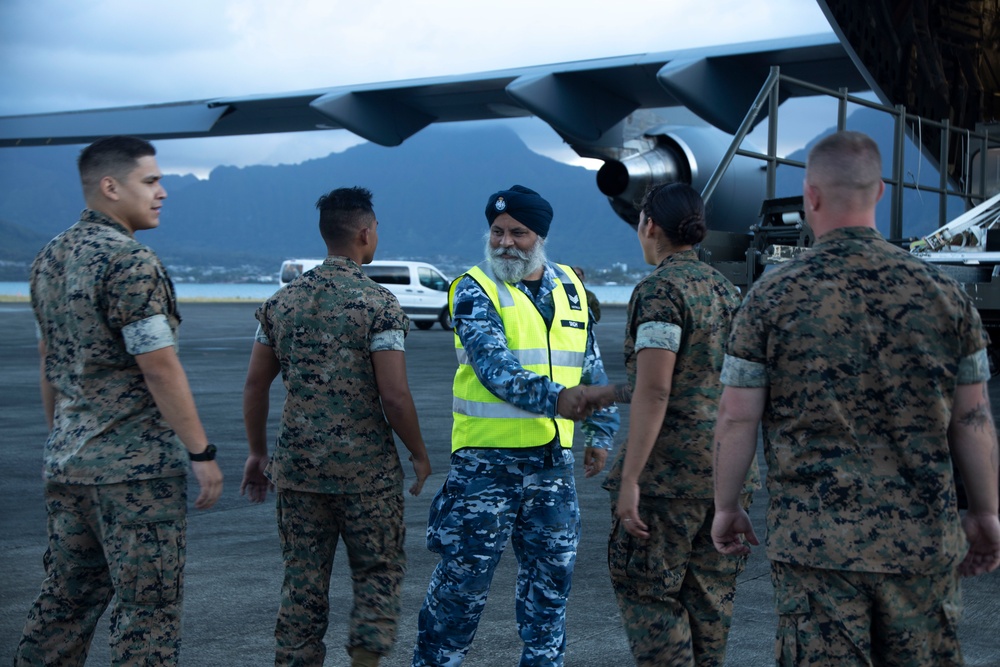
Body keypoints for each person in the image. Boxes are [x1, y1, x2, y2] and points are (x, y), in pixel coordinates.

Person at [712, 131, 1000, 666]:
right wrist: (985, 511)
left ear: (811, 197)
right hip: (920, 543)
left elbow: (735, 416)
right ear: (881, 193)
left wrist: (728, 506)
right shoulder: (943, 295)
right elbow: (973, 418)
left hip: (815, 549)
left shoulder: (771, 296)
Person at [16, 135, 224, 665]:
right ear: (110, 187)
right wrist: (201, 453)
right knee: (146, 613)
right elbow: (158, 364)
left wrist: (64, 439)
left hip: (69, 464)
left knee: (63, 604)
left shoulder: (49, 258)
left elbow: (49, 359)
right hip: (134, 475)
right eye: (150, 181)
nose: (163, 192)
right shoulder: (130, 261)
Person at [411, 185, 620, 667]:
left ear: (541, 236)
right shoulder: (472, 288)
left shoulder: (570, 287)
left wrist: (601, 431)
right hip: (485, 469)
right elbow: (493, 368)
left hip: (551, 468)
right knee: (460, 592)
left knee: (551, 591)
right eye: (498, 231)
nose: (505, 242)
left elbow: (591, 366)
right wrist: (559, 400)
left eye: (518, 233)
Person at [241, 186, 431, 667]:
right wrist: (419, 454)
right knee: (377, 575)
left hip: (299, 473)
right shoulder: (380, 304)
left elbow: (255, 386)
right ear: (366, 234)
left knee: (302, 582)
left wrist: (257, 453)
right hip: (366, 476)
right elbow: (394, 395)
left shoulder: (281, 303)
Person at [599, 183, 758, 666]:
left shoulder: (660, 289)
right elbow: (702, 377)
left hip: (667, 481)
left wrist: (629, 480)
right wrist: (605, 393)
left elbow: (657, 387)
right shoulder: (725, 290)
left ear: (649, 225)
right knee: (709, 607)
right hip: (726, 477)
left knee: (649, 596)